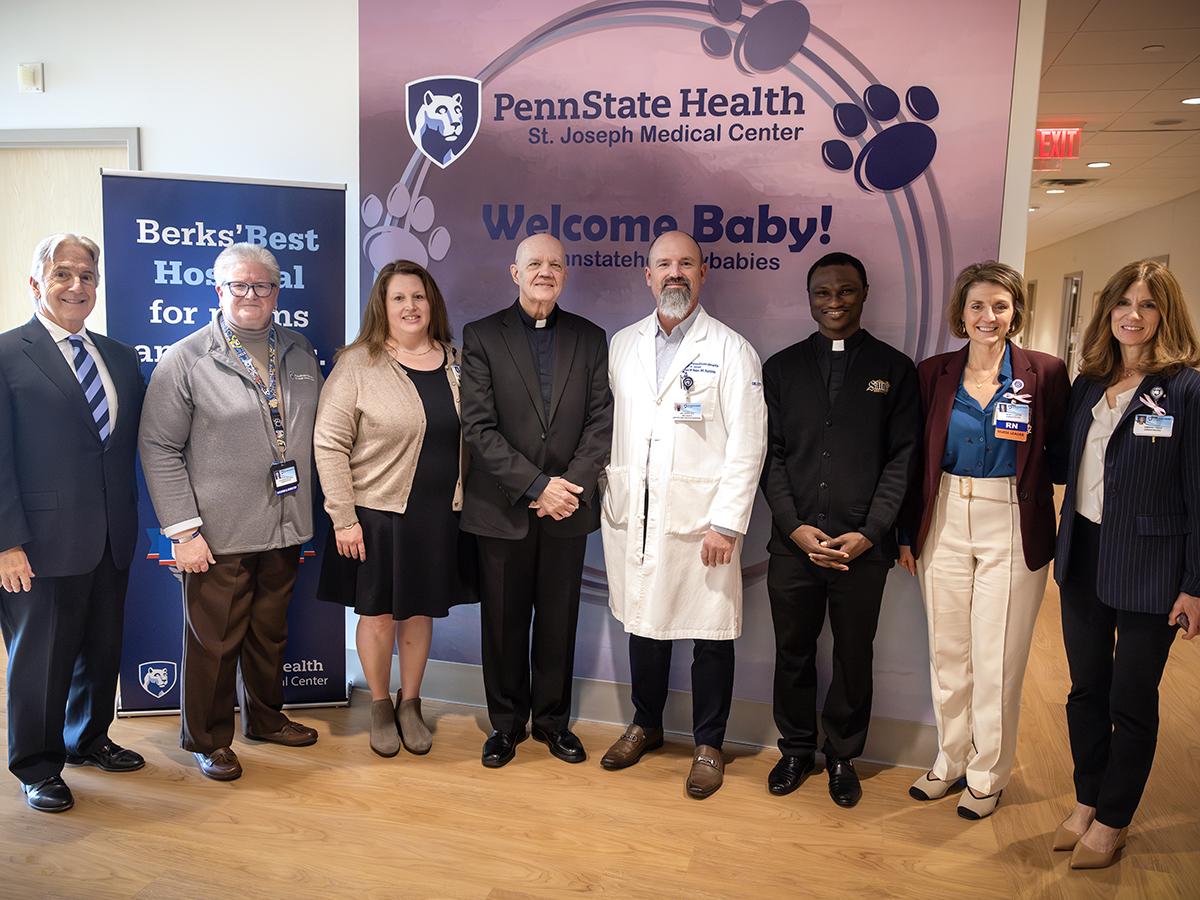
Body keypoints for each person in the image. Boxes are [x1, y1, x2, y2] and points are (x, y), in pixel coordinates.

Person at [139, 242, 323, 782]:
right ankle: (209, 738)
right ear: (218, 292)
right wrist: (184, 531)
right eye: (238, 285)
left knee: (269, 634)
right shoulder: (186, 358)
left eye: (261, 285)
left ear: (276, 292)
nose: (250, 294)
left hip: (285, 527)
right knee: (214, 644)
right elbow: (158, 446)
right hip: (216, 535)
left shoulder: (297, 351)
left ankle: (265, 720)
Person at [897, 262, 1069, 820]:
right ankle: (949, 760)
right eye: (977, 306)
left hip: (1011, 519)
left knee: (997, 657)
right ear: (961, 312)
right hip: (945, 514)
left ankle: (987, 772)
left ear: (1015, 311)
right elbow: (913, 460)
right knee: (948, 650)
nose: (988, 317)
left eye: (999, 305)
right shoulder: (933, 372)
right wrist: (907, 534)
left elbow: (1062, 456)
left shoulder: (1045, 372)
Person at [599, 230, 766, 800]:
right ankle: (645, 724)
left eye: (685, 264)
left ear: (703, 273)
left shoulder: (731, 350)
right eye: (663, 264)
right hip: (635, 515)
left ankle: (708, 744)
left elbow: (749, 445)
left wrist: (727, 522)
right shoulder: (621, 345)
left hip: (703, 523)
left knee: (709, 633)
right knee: (644, 623)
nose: (675, 273)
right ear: (647, 276)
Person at [1051, 260, 1200, 869]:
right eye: (1123, 303)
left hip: (1153, 569)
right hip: (1084, 555)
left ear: (1166, 315)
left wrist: (1195, 585)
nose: (1132, 315)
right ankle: (1087, 799)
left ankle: (1113, 820)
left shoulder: (1186, 389)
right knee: (1085, 689)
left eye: (1147, 305)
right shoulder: (1089, 384)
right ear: (1106, 310)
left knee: (1131, 699)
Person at [759, 251, 919, 808]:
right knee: (793, 651)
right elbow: (770, 458)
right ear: (809, 298)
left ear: (864, 292)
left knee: (854, 654)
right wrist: (793, 527)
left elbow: (902, 459)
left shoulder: (895, 370)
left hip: (862, 548)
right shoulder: (779, 368)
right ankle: (796, 749)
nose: (834, 302)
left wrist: (873, 530)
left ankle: (843, 755)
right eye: (823, 293)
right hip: (793, 546)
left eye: (845, 291)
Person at [0, 234, 146, 812]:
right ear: (36, 284)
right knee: (41, 659)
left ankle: (87, 739)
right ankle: (36, 765)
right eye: (63, 274)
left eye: (87, 276)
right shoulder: (8, 354)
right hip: (36, 544)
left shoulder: (118, 356)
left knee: (100, 649)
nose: (76, 286)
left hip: (110, 535)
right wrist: (6, 542)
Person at [459, 233, 613, 768]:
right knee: (501, 625)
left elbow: (601, 423)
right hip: (502, 509)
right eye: (534, 264)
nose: (545, 271)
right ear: (514, 272)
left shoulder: (591, 339)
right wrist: (536, 486)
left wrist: (567, 488)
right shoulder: (480, 336)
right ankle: (505, 726)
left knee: (557, 621)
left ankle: (551, 723)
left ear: (565, 274)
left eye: (555, 264)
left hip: (567, 510)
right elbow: (477, 428)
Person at [314, 260, 475, 757]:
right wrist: (343, 517)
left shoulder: (458, 362)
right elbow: (328, 442)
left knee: (421, 613)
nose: (410, 306)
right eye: (399, 298)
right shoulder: (358, 364)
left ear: (433, 304)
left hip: (438, 514)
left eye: (419, 297)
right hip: (375, 515)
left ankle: (411, 703)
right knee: (379, 615)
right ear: (382, 307)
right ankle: (381, 704)